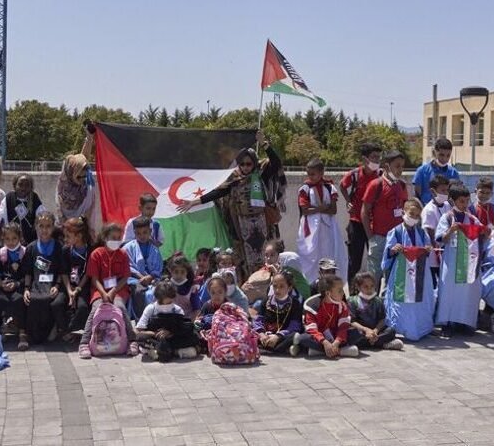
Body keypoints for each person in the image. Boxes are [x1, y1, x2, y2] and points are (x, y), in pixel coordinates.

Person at [177, 130, 282, 275]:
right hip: (241, 225)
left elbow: (276, 163)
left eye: (249, 164)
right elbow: (218, 192)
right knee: (244, 258)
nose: (246, 167)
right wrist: (194, 202)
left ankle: (266, 282)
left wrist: (264, 143)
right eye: (242, 164)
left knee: (265, 255)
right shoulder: (234, 179)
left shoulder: (261, 174)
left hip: (261, 223)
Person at [78, 223, 139, 358]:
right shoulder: (96, 254)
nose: (116, 241)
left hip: (119, 290)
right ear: (105, 238)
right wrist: (104, 293)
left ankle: (132, 340)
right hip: (99, 290)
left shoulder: (123, 254)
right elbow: (94, 279)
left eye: (119, 238)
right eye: (113, 238)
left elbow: (125, 277)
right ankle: (84, 343)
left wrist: (112, 292)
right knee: (95, 309)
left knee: (120, 308)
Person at [435, 184, 485, 336]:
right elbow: (439, 239)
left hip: (468, 262)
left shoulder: (472, 219)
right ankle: (447, 323)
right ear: (453, 201)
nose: (465, 205)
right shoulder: (447, 217)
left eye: (467, 201)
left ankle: (464, 322)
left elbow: (481, 233)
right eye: (461, 201)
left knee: (467, 292)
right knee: (449, 292)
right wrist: (451, 230)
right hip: (451, 261)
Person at [382, 199, 434, 341]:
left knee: (421, 299)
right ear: (404, 212)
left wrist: (428, 249)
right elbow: (388, 253)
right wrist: (393, 250)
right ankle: (399, 327)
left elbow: (428, 248)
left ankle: (421, 327)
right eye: (411, 214)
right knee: (401, 301)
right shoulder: (396, 231)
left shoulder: (422, 233)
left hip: (420, 272)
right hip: (401, 273)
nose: (413, 218)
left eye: (417, 216)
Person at [297, 158, 348, 285]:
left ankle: (328, 282)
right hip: (310, 227)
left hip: (327, 226)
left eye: (313, 174)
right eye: (308, 174)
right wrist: (320, 208)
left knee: (328, 252)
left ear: (321, 173)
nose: (310, 177)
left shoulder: (329, 187)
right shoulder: (305, 189)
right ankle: (310, 282)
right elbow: (305, 210)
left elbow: (333, 210)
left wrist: (318, 210)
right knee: (310, 254)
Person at [22, 211, 69, 345]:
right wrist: (26, 288)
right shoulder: (31, 248)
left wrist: (57, 286)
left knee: (53, 300)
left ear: (53, 227)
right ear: (36, 226)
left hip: (53, 285)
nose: (44, 230)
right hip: (37, 285)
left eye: (48, 226)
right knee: (33, 299)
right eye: (41, 226)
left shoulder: (59, 247)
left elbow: (62, 270)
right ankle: (34, 334)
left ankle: (53, 327)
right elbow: (28, 272)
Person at [362, 150, 408, 284]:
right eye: (397, 166)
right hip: (379, 238)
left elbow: (405, 208)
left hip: (397, 240)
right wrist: (371, 238)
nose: (400, 170)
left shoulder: (402, 185)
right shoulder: (376, 185)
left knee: (393, 278)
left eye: (402, 166)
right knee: (373, 279)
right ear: (387, 167)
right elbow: (364, 212)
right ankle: (371, 303)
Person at [340, 143, 382, 282]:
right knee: (355, 261)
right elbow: (342, 185)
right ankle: (352, 294)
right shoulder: (354, 175)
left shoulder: (381, 175)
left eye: (378, 157)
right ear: (365, 159)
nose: (377, 160)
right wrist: (348, 201)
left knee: (375, 260)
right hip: (356, 222)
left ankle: (372, 292)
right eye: (373, 157)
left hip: (374, 224)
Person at [293, 274, 360, 358]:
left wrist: (337, 342)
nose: (343, 293)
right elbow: (312, 329)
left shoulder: (342, 305)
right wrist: (324, 342)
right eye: (339, 290)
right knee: (303, 338)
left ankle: (320, 351)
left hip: (335, 335)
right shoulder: (312, 305)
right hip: (320, 337)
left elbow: (343, 327)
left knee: (358, 333)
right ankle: (341, 351)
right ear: (328, 293)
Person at [134, 280, 198, 361]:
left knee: (192, 336)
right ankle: (167, 352)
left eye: (170, 302)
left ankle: (169, 352)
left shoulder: (177, 310)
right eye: (164, 303)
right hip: (155, 339)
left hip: (172, 339)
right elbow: (138, 331)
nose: (167, 306)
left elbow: (182, 327)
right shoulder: (151, 309)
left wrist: (170, 332)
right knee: (141, 338)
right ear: (157, 299)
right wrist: (154, 333)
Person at [348, 272, 404, 350]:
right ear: (358, 287)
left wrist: (375, 331)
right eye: (366, 287)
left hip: (375, 332)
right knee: (352, 334)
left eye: (372, 286)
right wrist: (366, 330)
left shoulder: (378, 300)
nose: (369, 289)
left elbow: (382, 319)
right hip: (361, 331)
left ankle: (371, 342)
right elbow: (352, 321)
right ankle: (381, 344)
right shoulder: (352, 301)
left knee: (391, 331)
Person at [253, 271, 303, 355]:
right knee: (249, 332)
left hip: (282, 336)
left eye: (282, 286)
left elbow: (295, 325)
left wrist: (278, 336)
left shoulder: (295, 303)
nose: (277, 290)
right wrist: (262, 334)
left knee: (295, 335)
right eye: (275, 286)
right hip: (266, 334)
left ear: (289, 288)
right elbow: (258, 320)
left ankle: (267, 348)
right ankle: (282, 349)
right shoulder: (266, 301)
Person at [124, 217, 164, 318]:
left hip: (152, 279)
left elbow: (158, 267)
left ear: (150, 231)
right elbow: (128, 266)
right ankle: (141, 319)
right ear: (134, 233)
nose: (142, 236)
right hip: (134, 279)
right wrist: (141, 277)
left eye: (145, 232)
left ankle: (159, 318)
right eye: (138, 233)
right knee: (139, 291)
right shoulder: (128, 248)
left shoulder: (154, 248)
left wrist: (150, 277)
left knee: (162, 290)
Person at [62, 216, 95, 339]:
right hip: (68, 285)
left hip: (84, 286)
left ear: (79, 236)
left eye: (68, 236)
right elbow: (64, 272)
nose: (65, 239)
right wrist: (70, 290)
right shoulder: (66, 250)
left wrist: (78, 290)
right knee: (58, 303)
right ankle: (60, 328)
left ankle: (71, 329)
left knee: (82, 307)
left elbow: (88, 273)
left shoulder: (90, 250)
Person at [0, 223, 28, 349]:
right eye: (7, 239)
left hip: (19, 284)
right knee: (0, 300)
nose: (11, 242)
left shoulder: (24, 252)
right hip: (4, 285)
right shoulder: (1, 253)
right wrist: (1, 283)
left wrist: (17, 284)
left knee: (18, 300)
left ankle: (22, 333)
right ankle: (2, 328)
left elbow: (27, 273)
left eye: (14, 238)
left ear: (19, 238)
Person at [0, 173, 45, 244]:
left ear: (31, 187)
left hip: (30, 240)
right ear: (14, 186)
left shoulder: (34, 199)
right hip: (11, 241)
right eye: (20, 184)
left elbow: (42, 216)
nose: (23, 188)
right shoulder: (9, 198)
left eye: (27, 185)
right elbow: (0, 217)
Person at [422, 175, 451, 288]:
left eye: (447, 190)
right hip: (434, 255)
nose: (446, 193)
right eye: (442, 190)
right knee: (434, 284)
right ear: (433, 191)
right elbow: (430, 232)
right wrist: (438, 252)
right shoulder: (429, 210)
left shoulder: (448, 205)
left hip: (445, 250)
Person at [57, 134, 95, 221]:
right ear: (71, 172)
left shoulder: (87, 183)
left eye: (84, 176)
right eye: (79, 176)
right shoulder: (63, 186)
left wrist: (89, 137)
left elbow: (83, 158)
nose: (83, 178)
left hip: (84, 227)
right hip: (66, 229)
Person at [413, 137, 460, 204]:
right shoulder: (421, 171)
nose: (444, 159)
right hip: (426, 208)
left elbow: (456, 193)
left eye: (448, 156)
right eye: (441, 155)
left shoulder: (453, 172)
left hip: (446, 209)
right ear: (434, 152)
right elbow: (417, 195)